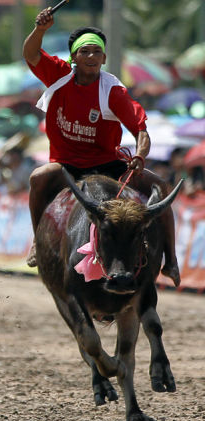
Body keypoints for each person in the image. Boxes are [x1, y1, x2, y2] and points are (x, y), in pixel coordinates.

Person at [23, 9, 181, 286]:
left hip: (108, 165)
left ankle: (171, 261)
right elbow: (31, 54)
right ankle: (38, 240)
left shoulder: (112, 90)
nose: (92, 56)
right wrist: (40, 29)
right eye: (85, 51)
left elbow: (141, 130)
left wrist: (140, 155)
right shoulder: (59, 75)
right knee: (38, 177)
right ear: (73, 58)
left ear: (104, 58)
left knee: (160, 187)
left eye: (97, 52)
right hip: (66, 166)